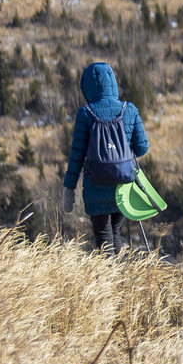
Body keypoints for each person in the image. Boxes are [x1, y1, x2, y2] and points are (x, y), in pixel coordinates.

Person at [62, 62, 150, 254]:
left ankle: (110, 280)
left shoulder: (85, 114)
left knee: (103, 236)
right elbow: (142, 148)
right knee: (116, 231)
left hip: (95, 186)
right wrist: (124, 149)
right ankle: (121, 279)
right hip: (124, 186)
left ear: (87, 88)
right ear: (113, 83)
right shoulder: (130, 109)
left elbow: (76, 156)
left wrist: (69, 187)